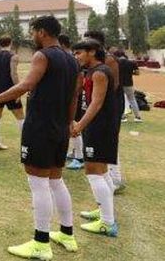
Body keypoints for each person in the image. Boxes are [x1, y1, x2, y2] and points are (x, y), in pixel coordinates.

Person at [0, 16, 81, 260]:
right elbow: (75, 97)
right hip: (59, 127)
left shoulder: (43, 56)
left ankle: (41, 242)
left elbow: (26, 84)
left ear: (43, 32)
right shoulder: (71, 59)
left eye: (33, 31)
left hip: (40, 127)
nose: (31, 35)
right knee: (56, 181)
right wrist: (68, 123)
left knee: (38, 183)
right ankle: (67, 233)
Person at [71, 39, 120, 237]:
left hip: (100, 127)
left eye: (79, 53)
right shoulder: (92, 71)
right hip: (99, 126)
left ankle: (107, 222)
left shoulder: (100, 72)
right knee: (102, 171)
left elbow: (96, 103)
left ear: (92, 52)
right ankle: (105, 211)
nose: (76, 57)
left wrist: (79, 125)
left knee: (92, 170)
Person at [84, 31, 125, 193]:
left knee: (109, 141)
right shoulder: (94, 63)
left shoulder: (109, 60)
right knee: (101, 145)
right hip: (101, 105)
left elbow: (112, 86)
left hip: (110, 105)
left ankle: (116, 178)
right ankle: (111, 177)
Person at [0, 35, 25, 150]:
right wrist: (19, 90)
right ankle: (26, 143)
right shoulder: (13, 56)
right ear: (11, 43)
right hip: (11, 90)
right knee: (20, 116)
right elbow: (14, 74)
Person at [59, 35, 85, 171]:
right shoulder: (68, 58)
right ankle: (75, 152)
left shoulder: (72, 59)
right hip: (69, 97)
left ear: (62, 44)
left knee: (74, 126)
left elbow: (79, 81)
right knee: (69, 126)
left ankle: (79, 158)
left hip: (73, 98)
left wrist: (73, 95)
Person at [115, 49, 142, 122]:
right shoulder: (131, 62)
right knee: (132, 99)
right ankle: (137, 117)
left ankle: (122, 116)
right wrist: (130, 73)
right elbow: (137, 73)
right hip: (129, 83)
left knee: (120, 100)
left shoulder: (116, 63)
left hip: (119, 84)